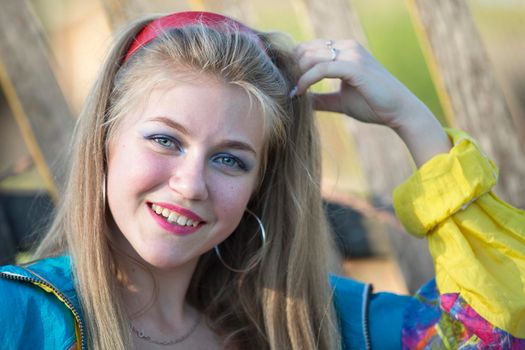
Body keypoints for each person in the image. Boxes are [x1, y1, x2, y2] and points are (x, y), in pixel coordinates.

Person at [0, 10, 523, 350]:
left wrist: (414, 122)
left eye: (231, 160)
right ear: (104, 144)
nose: (190, 184)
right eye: (165, 140)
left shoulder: (311, 324)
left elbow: (489, 337)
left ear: (259, 186)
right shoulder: (21, 315)